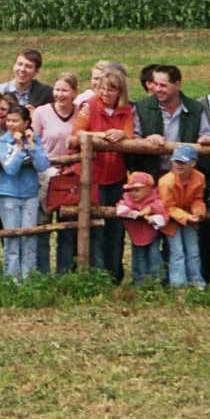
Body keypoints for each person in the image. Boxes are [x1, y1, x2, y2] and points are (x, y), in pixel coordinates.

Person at [71, 68, 138, 279]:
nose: (106, 93)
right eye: (103, 88)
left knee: (116, 229)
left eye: (111, 89)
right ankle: (94, 275)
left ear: (120, 92)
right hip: (92, 177)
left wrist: (122, 134)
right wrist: (99, 136)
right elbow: (76, 133)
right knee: (95, 228)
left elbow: (130, 133)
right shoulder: (89, 107)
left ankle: (114, 275)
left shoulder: (126, 110)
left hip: (116, 176)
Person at [0, 104, 52, 281]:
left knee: (29, 238)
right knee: (12, 238)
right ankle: (12, 280)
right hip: (9, 194)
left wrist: (32, 145)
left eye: (15, 121)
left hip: (30, 194)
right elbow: (10, 168)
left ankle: (28, 280)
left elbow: (43, 165)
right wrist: (19, 148)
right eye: (8, 120)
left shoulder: (35, 139)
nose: (10, 124)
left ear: (26, 122)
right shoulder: (4, 142)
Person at [33, 73, 80, 274]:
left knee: (67, 228)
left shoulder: (81, 113)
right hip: (45, 175)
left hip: (69, 176)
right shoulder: (42, 112)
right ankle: (42, 273)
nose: (60, 94)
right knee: (42, 226)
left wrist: (74, 166)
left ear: (74, 93)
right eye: (57, 89)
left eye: (65, 90)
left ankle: (64, 272)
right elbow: (34, 141)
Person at [135, 64, 204, 173]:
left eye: (163, 85)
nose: (158, 89)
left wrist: (206, 138)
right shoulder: (141, 107)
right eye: (155, 84)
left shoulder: (196, 108)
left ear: (177, 85)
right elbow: (133, 138)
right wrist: (146, 141)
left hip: (184, 175)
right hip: (151, 174)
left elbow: (205, 135)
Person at [157, 142, 208, 289]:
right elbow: (168, 206)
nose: (178, 165)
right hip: (171, 219)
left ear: (193, 163)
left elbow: (198, 198)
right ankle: (178, 285)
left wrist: (198, 212)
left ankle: (197, 283)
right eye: (176, 161)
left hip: (190, 218)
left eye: (183, 162)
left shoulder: (199, 178)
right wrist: (186, 216)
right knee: (177, 252)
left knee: (193, 251)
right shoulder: (166, 181)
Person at [115, 171, 169, 283]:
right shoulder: (127, 200)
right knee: (139, 256)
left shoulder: (155, 202)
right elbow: (120, 210)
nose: (133, 193)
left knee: (154, 254)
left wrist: (151, 218)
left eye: (137, 190)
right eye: (131, 190)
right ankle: (140, 281)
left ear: (149, 189)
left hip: (152, 234)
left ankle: (158, 279)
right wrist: (137, 214)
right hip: (136, 233)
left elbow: (163, 217)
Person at [0, 49, 50, 125]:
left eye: (28, 66)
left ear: (36, 71)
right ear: (13, 66)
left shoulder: (46, 94)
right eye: (19, 64)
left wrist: (37, 116)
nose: (22, 69)